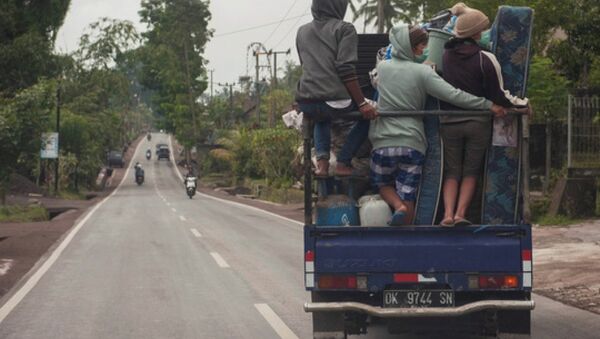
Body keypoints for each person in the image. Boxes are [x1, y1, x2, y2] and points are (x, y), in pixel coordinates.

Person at [369, 24, 507, 226]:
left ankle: (398, 206)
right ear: (410, 47)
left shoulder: (382, 68)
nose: (424, 50)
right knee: (410, 194)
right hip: (412, 142)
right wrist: (486, 104)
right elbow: (453, 95)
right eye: (420, 46)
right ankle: (408, 222)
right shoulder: (423, 72)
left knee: (381, 184)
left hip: (381, 142)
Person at [439, 7, 529, 226]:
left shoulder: (446, 55)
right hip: (478, 122)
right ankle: (461, 214)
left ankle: (447, 215)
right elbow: (499, 94)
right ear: (477, 34)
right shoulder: (485, 58)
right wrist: (523, 104)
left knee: (451, 171)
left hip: (449, 122)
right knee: (471, 171)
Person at [296, 0, 377, 177]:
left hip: (306, 100)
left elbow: (305, 65)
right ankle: (343, 161)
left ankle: (322, 166)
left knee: (320, 117)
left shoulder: (302, 31)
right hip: (333, 98)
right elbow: (346, 68)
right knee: (368, 115)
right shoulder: (344, 28)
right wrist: (362, 103)